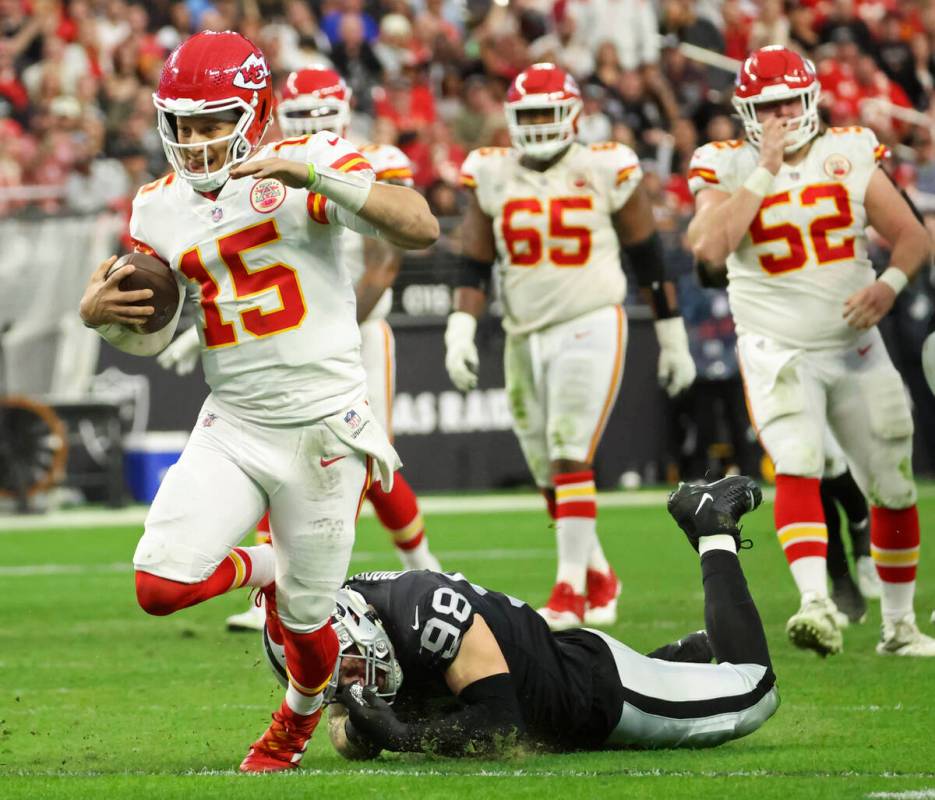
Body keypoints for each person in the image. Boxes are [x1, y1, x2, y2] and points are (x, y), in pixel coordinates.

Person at [78, 31, 439, 772]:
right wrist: (100, 319)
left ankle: (295, 723)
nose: (196, 140)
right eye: (182, 123)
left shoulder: (310, 161)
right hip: (235, 421)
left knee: (310, 627)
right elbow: (149, 333)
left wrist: (314, 174)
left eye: (213, 121)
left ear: (257, 110)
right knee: (158, 586)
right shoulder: (156, 208)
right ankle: (262, 567)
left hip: (323, 430)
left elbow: (420, 226)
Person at [158, 65, 442, 634]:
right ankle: (283, 580)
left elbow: (399, 246)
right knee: (271, 456)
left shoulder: (352, 161)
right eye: (303, 112)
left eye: (322, 111)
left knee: (368, 468)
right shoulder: (252, 174)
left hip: (353, 332)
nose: (313, 121)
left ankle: (424, 570)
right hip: (284, 335)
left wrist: (322, 332)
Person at [687, 45, 935, 657]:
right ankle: (815, 601)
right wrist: (764, 171)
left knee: (894, 484)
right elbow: (709, 249)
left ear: (810, 99)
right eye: (764, 106)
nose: (777, 116)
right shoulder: (723, 162)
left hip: (853, 345)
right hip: (777, 345)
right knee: (797, 460)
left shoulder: (847, 151)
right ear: (745, 109)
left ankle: (899, 626)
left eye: (786, 103)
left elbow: (911, 236)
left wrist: (889, 285)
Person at [262, 475, 778, 756]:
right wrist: (357, 728)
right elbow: (346, 727)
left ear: (361, 625)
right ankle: (680, 657)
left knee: (756, 691)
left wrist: (397, 734)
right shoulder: (346, 611)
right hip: (553, 665)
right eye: (338, 677)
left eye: (348, 665)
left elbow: (499, 723)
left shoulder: (429, 615)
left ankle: (711, 524)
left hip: (601, 697)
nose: (354, 679)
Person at [447, 62, 696, 630]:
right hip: (522, 330)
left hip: (589, 320)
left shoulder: (604, 166)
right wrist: (459, 327)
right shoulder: (493, 172)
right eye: (527, 114)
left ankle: (569, 591)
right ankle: (600, 575)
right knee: (544, 467)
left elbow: (648, 258)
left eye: (545, 112)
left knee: (568, 450)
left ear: (573, 115)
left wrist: (671, 336)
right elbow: (475, 259)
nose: (536, 124)